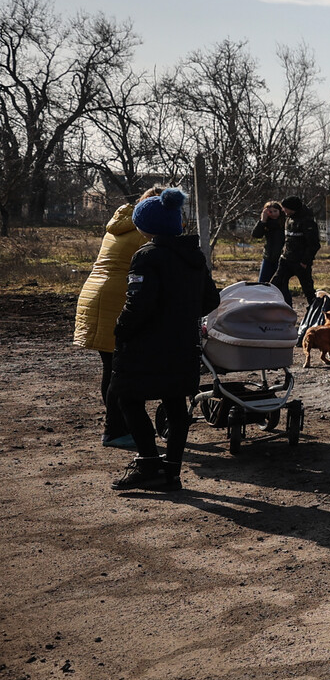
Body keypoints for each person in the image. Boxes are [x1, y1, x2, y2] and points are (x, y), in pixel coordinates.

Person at [108, 189, 219, 492]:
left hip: (146, 345)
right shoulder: (194, 256)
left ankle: (147, 464)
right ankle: (171, 472)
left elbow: (138, 304)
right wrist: (181, 316)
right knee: (175, 403)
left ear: (148, 227)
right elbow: (211, 298)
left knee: (126, 398)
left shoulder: (147, 256)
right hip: (183, 343)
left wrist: (121, 329)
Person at [74, 186, 164, 450]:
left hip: (97, 295)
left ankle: (121, 426)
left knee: (113, 366)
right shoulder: (143, 232)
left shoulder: (121, 224)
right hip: (115, 299)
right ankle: (115, 430)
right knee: (120, 370)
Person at [270, 196, 320, 304]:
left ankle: (315, 311)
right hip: (286, 259)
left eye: (285, 208)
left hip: (300, 262)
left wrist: (305, 261)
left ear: (292, 208)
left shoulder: (307, 222)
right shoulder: (289, 219)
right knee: (275, 284)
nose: (284, 211)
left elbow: (314, 244)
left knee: (308, 290)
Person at [251, 201, 286, 284]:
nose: (273, 214)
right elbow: (256, 235)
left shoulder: (284, 223)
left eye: (275, 211)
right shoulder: (266, 224)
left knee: (280, 284)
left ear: (280, 211)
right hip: (268, 257)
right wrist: (262, 221)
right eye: (270, 212)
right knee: (262, 283)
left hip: (281, 258)